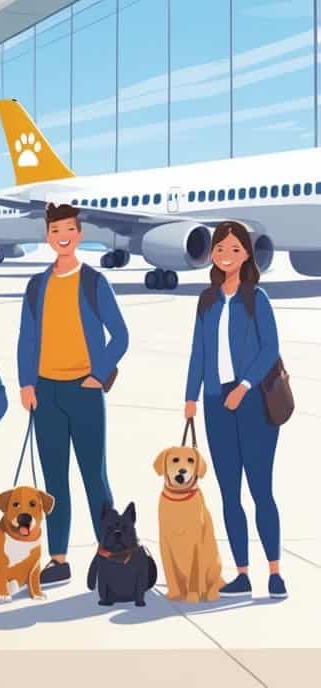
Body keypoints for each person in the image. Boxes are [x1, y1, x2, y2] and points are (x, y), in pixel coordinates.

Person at [17, 203, 128, 585]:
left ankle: (111, 553)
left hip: (84, 392)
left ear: (79, 233)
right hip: (45, 393)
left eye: (68, 229)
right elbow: (26, 339)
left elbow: (121, 335)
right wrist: (27, 383)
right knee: (54, 481)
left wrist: (98, 375)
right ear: (47, 236)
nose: (62, 236)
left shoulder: (94, 282)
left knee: (95, 477)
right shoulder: (36, 286)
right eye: (54, 230)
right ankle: (59, 559)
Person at [184, 221, 286, 599]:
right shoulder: (207, 300)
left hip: (254, 402)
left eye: (234, 249)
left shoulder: (256, 298)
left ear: (246, 254)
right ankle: (242, 573)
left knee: (261, 490)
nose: (226, 256)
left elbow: (270, 348)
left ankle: (274, 572)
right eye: (220, 249)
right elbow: (198, 352)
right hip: (216, 403)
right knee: (229, 493)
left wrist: (244, 386)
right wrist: (191, 397)